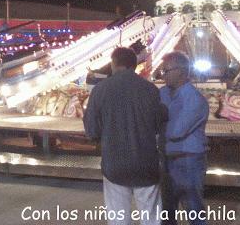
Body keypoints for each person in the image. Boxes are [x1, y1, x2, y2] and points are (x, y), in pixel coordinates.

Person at [83, 47, 166, 225]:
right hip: (146, 163)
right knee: (151, 216)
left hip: (114, 163)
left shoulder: (100, 90)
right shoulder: (150, 90)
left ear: (113, 64)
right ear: (134, 65)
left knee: (118, 217)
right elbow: (160, 125)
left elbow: (91, 130)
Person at [159, 51, 209, 225]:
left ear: (181, 71)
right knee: (167, 210)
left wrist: (155, 128)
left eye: (166, 71)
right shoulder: (163, 93)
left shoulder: (195, 99)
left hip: (188, 160)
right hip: (167, 159)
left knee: (193, 209)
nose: (163, 74)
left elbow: (176, 131)